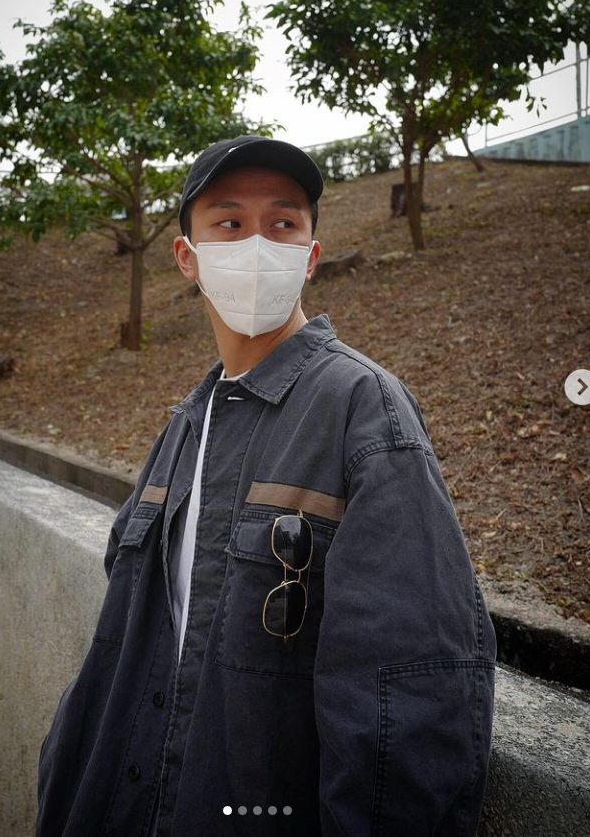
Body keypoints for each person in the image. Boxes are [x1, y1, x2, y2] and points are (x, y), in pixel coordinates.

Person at [35, 135, 497, 837]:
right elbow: (119, 653)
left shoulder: (363, 409)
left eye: (282, 224)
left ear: (310, 256)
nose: (257, 243)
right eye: (228, 223)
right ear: (186, 258)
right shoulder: (185, 428)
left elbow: (406, 695)